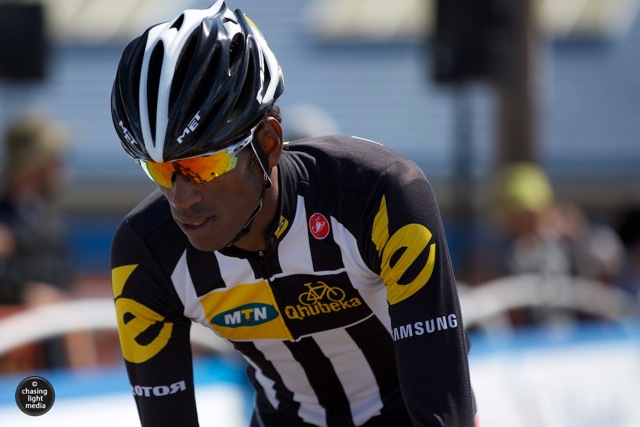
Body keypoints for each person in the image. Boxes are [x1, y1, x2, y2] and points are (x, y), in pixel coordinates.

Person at [109, 2, 476, 426]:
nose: (181, 197)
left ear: (268, 144)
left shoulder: (379, 196)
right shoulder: (147, 252)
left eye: (203, 166)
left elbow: (442, 402)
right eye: (159, 170)